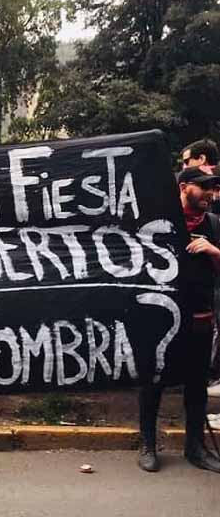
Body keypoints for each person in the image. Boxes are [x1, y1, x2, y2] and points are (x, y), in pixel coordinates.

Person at [137, 166, 220, 473]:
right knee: (153, 382)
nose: (210, 195)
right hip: (160, 321)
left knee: (196, 387)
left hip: (200, 319)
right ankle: (147, 444)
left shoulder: (214, 224)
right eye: (204, 188)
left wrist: (214, 251)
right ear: (184, 187)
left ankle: (195, 448)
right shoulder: (160, 222)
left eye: (213, 189)